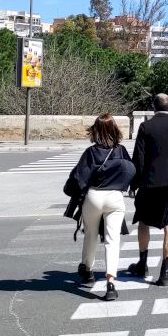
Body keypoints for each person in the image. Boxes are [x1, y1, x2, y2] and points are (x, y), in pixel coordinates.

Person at [126, 94, 168, 287]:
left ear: (153, 107)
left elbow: (139, 158)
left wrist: (134, 183)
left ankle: (142, 263)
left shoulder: (146, 127)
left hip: (150, 182)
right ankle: (165, 272)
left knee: (143, 222)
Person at [66, 113, 135, 301]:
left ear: (96, 130)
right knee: (113, 240)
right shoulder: (121, 150)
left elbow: (79, 177)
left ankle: (87, 269)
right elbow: (130, 170)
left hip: (94, 196)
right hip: (115, 197)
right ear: (114, 129)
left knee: (91, 234)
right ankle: (110, 283)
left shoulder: (91, 152)